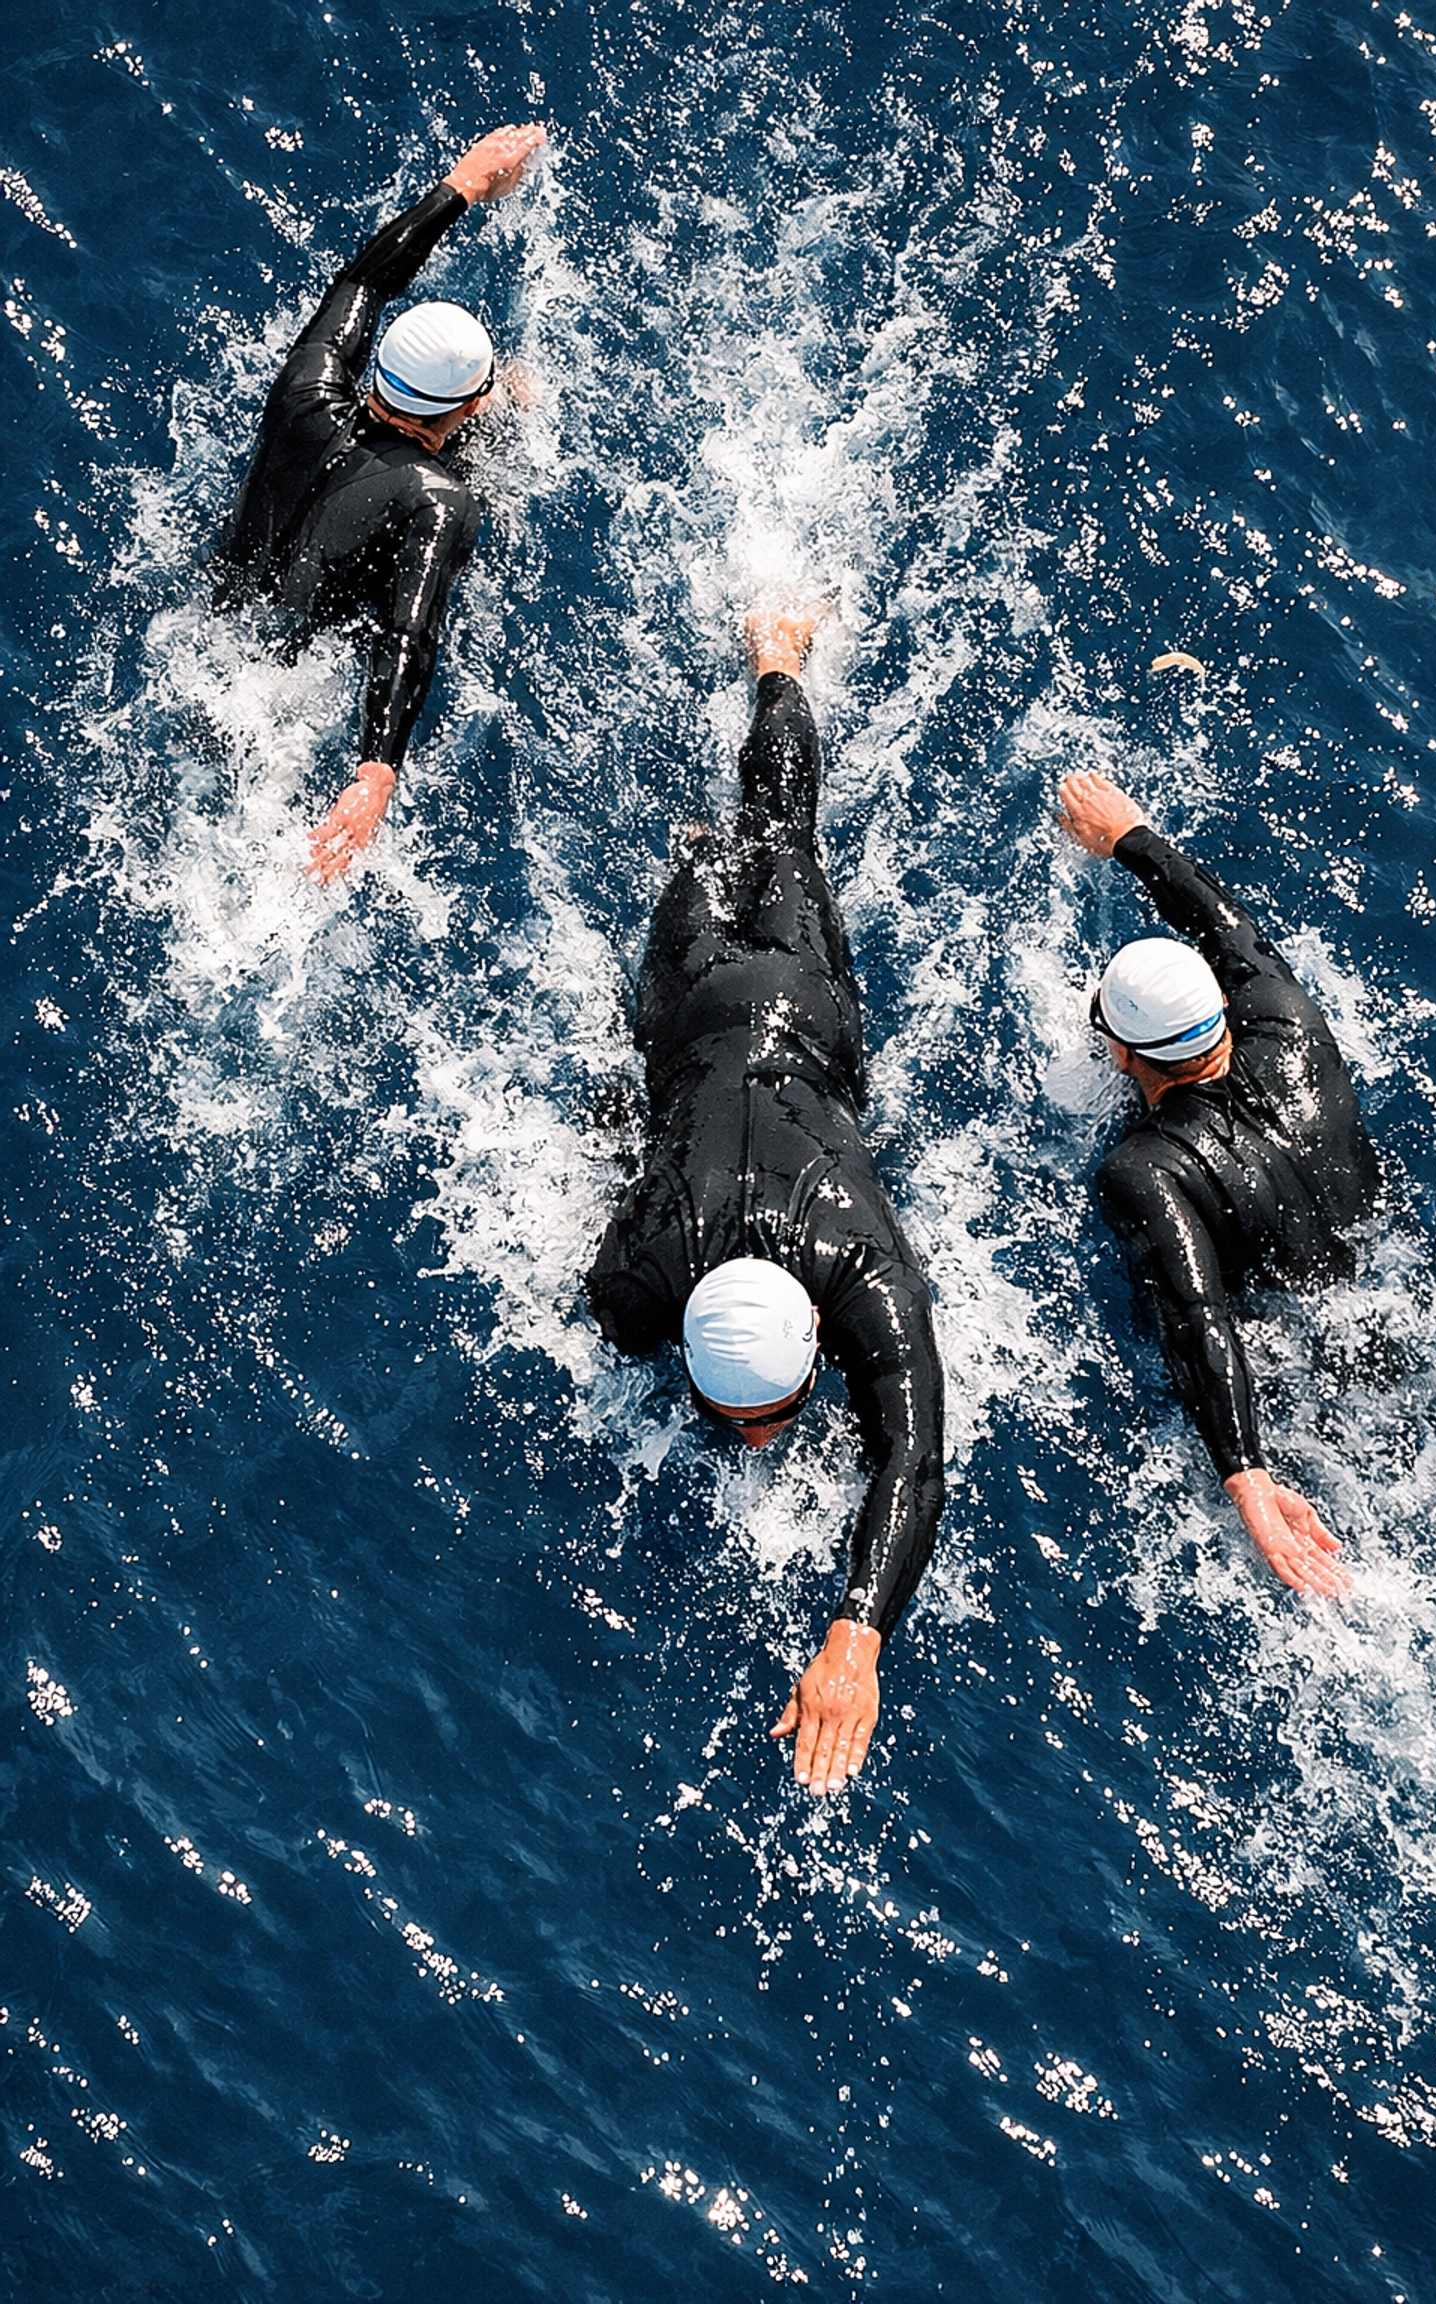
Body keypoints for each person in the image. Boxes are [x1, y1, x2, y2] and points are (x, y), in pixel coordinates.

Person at [587, 612, 945, 1796]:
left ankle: (779, 663)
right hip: (735, 1010)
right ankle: (775, 666)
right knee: (772, 837)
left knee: (753, 844)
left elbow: (918, 1463)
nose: (756, 1439)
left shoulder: (666, 1278)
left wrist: (855, 1643)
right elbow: (909, 1461)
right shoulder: (850, 1267)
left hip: (758, 1009)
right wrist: (860, 1629)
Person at [1057, 767, 1380, 1598]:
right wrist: (1130, 837)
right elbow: (1223, 922)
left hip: (1289, 1372)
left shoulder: (1143, 1168)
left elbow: (1195, 1316)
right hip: (1378, 1314)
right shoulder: (1287, 1016)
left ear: (1123, 1054)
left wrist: (1249, 1482)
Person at [213, 122, 546, 884]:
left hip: (217, 632)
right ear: (465, 405)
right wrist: (377, 770)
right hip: (283, 694)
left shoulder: (305, 386)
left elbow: (362, 283)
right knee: (512, 417)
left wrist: (462, 185)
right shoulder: (441, 502)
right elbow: (408, 634)